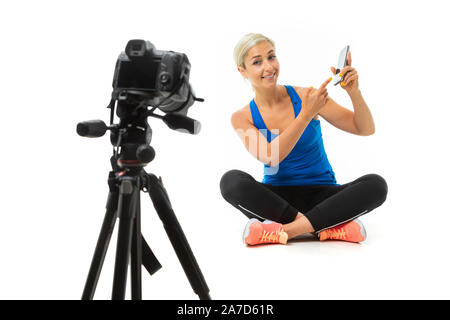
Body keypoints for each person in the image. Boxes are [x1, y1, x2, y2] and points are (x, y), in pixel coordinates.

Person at [220, 33, 388, 246]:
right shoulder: (242, 117)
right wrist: (306, 115)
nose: (268, 67)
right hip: (278, 200)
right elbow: (271, 157)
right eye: (257, 62)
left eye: (271, 57)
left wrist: (354, 92)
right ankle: (324, 226)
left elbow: (365, 128)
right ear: (242, 71)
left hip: (324, 194)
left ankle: (284, 231)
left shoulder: (308, 97)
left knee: (376, 185)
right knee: (230, 181)